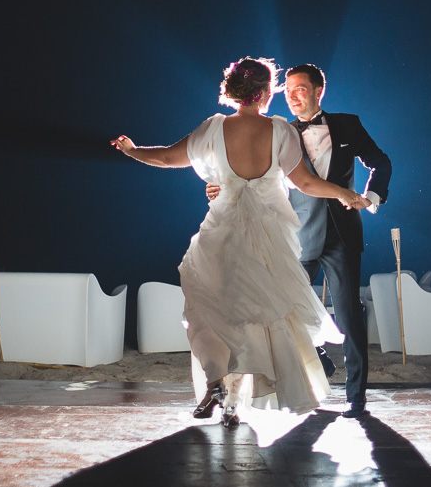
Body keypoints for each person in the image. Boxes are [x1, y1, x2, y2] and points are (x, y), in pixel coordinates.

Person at [111, 57, 360, 427]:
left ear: (237, 90)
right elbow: (306, 184)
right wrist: (344, 193)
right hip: (266, 241)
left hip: (221, 235)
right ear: (264, 92)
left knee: (212, 310)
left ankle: (218, 385)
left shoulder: (213, 128)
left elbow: (166, 157)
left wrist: (132, 149)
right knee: (255, 323)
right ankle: (232, 403)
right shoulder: (280, 131)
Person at [208, 63, 391, 418]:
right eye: (287, 89)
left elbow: (380, 161)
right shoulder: (277, 131)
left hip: (343, 234)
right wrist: (222, 186)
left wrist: (372, 198)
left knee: (350, 317)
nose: (291, 95)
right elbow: (253, 175)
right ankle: (319, 364)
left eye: (300, 88)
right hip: (295, 235)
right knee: (278, 311)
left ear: (319, 91)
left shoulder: (348, 124)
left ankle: (356, 397)